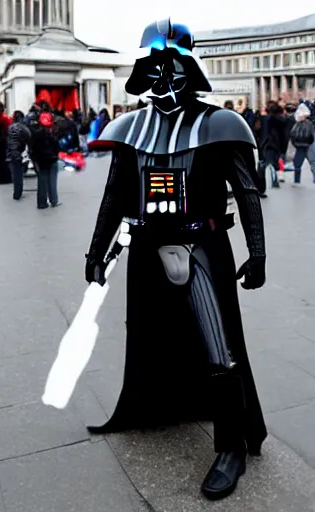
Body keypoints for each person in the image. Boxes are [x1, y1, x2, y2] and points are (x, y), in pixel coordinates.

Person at [84, 19, 267, 501]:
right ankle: (153, 405)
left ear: (190, 68)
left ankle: (230, 448)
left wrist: (258, 252)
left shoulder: (220, 124)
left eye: (173, 68)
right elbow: (114, 197)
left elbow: (246, 191)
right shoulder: (130, 128)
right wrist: (96, 252)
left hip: (201, 246)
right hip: (146, 248)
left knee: (218, 346)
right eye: (154, 69)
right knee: (148, 334)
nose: (164, 80)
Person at [30, 112, 61, 209]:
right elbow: (57, 148)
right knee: (52, 181)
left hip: (40, 160)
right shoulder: (53, 134)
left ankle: (41, 202)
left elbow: (32, 149)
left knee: (42, 181)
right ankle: (54, 201)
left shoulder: (35, 134)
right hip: (52, 159)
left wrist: (34, 160)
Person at [7, 111, 32, 200]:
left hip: (10, 152)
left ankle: (16, 191)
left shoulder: (10, 127)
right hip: (18, 152)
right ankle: (17, 193)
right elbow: (29, 139)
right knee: (19, 174)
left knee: (14, 174)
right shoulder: (23, 128)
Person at [289, 103, 315, 186]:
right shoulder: (310, 124)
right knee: (313, 162)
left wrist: (295, 144)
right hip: (308, 145)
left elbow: (292, 135)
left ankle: (297, 181)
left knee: (297, 164)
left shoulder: (296, 124)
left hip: (299, 146)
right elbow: (312, 136)